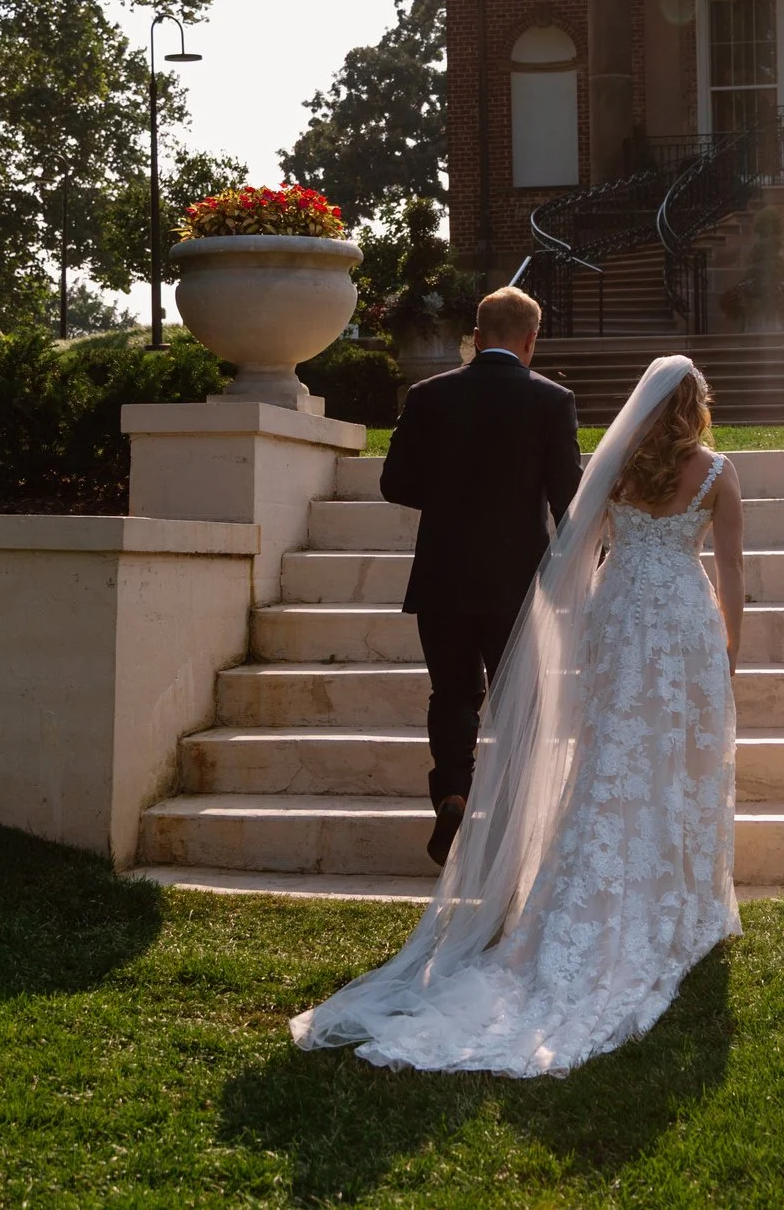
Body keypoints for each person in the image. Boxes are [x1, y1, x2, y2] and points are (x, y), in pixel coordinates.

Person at [292, 356, 746, 1077]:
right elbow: (732, 570)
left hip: (621, 616)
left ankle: (578, 901)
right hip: (684, 624)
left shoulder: (619, 468)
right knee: (679, 757)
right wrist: (730, 649)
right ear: (698, 405)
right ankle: (683, 897)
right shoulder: (719, 473)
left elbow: (575, 548)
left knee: (608, 758)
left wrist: (578, 623)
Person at [376, 285, 581, 867]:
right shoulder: (552, 400)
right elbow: (568, 499)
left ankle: (453, 792)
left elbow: (394, 483)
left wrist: (449, 498)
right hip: (517, 579)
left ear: (476, 334)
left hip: (442, 574)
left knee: (453, 693)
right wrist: (591, 564)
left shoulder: (427, 395)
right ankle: (519, 820)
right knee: (521, 698)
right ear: (530, 339)